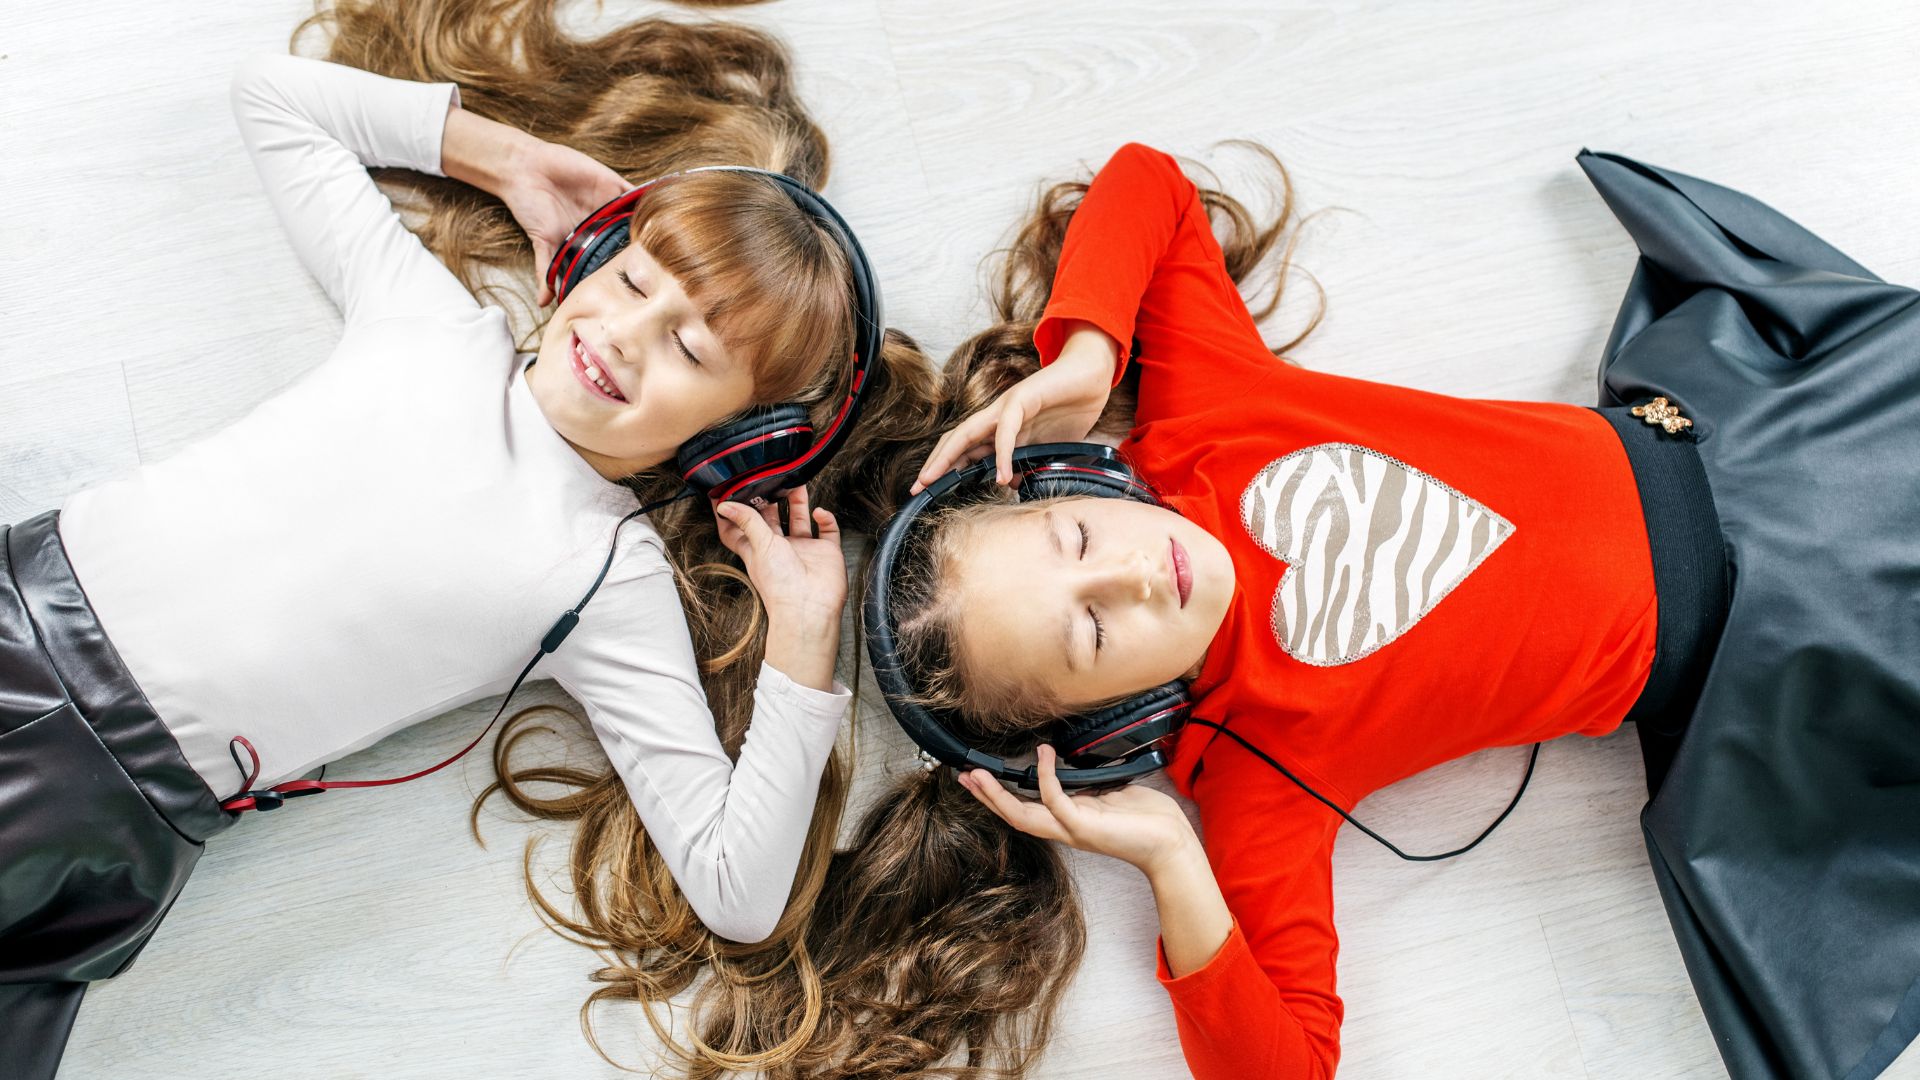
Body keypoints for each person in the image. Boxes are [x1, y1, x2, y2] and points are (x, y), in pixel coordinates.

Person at [844, 139, 1917, 1079]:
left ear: (1074, 479)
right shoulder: (1261, 774)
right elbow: (1290, 1067)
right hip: (1774, 649)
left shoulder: (1209, 411)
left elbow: (1149, 183)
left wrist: (1086, 349)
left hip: (1758, 441)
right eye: (1091, 633)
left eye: (1074, 540)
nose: (1127, 576)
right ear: (1101, 735)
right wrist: (1170, 859)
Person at [0, 4, 939, 1078]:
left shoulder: (606, 582)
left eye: (687, 346)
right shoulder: (428, 318)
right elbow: (274, 95)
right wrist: (503, 158)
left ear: (735, 436)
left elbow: (742, 891)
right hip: (22, 593)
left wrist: (806, 636)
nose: (626, 335)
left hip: (105, 805)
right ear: (589, 258)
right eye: (633, 280)